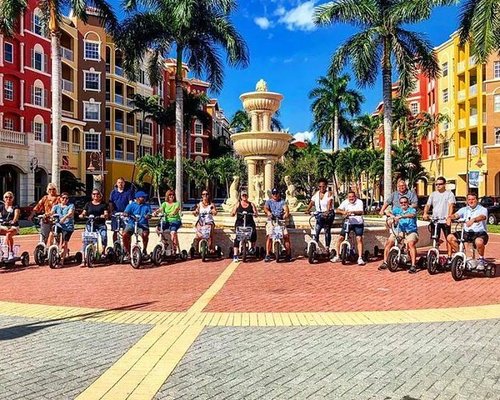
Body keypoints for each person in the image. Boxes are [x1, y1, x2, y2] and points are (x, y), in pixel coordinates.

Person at [446, 192, 489, 269]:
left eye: (473, 199)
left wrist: (474, 220)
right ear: (467, 201)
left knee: (479, 242)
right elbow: (456, 215)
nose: (471, 201)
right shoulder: (464, 209)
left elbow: (482, 217)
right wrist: (450, 217)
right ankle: (461, 255)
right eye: (469, 199)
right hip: (466, 232)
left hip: (479, 233)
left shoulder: (483, 209)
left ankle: (481, 259)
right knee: (450, 237)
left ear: (477, 200)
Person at [380, 195, 419, 273]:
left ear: (408, 203)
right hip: (399, 231)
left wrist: (401, 216)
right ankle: (385, 262)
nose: (403, 204)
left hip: (411, 232)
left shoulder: (412, 210)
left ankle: (413, 265)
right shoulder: (397, 210)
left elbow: (412, 215)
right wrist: (392, 216)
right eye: (401, 203)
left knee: (411, 244)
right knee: (389, 242)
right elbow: (387, 211)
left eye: (405, 202)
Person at [422, 176, 456, 260]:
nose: (438, 186)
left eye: (440, 184)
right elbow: (428, 205)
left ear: (444, 184)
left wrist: (449, 217)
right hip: (435, 220)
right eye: (436, 184)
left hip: (444, 219)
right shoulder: (433, 194)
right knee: (434, 238)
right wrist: (425, 213)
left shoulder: (449, 194)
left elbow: (451, 206)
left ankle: (449, 256)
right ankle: (435, 255)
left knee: (448, 238)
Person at [332, 191, 366, 265]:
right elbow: (337, 210)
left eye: (352, 197)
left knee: (359, 239)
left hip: (358, 223)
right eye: (349, 197)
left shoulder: (359, 202)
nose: (351, 198)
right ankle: (337, 255)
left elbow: (361, 211)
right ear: (348, 197)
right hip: (348, 222)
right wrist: (343, 212)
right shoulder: (345, 202)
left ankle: (360, 258)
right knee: (340, 238)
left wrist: (352, 212)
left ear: (355, 197)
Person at [305, 178, 334, 251]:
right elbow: (312, 202)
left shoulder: (329, 193)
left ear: (326, 186)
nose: (321, 188)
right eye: (320, 186)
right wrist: (307, 209)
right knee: (316, 230)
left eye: (323, 186)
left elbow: (329, 203)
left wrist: (327, 211)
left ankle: (327, 247)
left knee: (327, 230)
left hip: (328, 214)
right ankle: (315, 247)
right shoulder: (316, 194)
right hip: (319, 214)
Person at [123, 191, 153, 260]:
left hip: (143, 225)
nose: (144, 198)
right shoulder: (131, 205)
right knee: (125, 235)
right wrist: (126, 214)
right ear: (137, 198)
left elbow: (149, 214)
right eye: (142, 197)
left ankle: (144, 250)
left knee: (145, 235)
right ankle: (127, 252)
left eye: (144, 197)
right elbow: (126, 212)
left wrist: (148, 216)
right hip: (132, 224)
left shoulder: (147, 206)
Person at [264, 188, 291, 262]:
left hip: (280, 220)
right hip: (271, 221)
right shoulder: (269, 201)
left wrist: (285, 214)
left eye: (276, 193)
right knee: (269, 236)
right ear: (272, 194)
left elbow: (286, 210)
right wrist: (268, 212)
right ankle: (268, 254)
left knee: (286, 236)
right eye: (274, 194)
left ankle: (288, 254)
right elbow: (265, 208)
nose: (275, 195)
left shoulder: (282, 202)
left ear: (279, 194)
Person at [231, 189, 258, 262]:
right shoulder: (238, 204)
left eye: (246, 195)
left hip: (249, 222)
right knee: (238, 237)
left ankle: (252, 247)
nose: (244, 197)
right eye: (243, 195)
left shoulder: (251, 204)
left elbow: (256, 213)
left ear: (247, 196)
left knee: (253, 233)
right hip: (240, 223)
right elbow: (233, 212)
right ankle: (235, 255)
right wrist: (233, 213)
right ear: (241, 196)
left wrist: (255, 213)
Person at [155, 189, 182, 254]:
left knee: (173, 233)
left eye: (173, 195)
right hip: (166, 221)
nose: (171, 196)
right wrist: (155, 212)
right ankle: (164, 241)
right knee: (157, 228)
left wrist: (173, 213)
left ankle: (174, 248)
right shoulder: (164, 204)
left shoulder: (177, 203)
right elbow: (160, 209)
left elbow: (176, 210)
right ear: (167, 196)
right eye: (170, 195)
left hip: (175, 221)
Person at [51, 192, 75, 264]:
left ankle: (62, 260)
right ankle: (54, 252)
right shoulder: (56, 206)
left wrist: (65, 217)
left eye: (66, 198)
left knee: (64, 243)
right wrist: (47, 216)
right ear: (60, 198)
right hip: (58, 225)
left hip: (68, 226)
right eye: (63, 198)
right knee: (54, 237)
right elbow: (51, 212)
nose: (65, 199)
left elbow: (70, 213)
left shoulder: (71, 205)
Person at [109, 177, 134, 242]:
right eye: (119, 182)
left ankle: (126, 247)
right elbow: (110, 203)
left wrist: (128, 211)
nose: (120, 184)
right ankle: (115, 245)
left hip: (125, 214)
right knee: (115, 231)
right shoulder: (113, 192)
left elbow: (130, 203)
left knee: (126, 231)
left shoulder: (128, 192)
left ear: (124, 183)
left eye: (122, 183)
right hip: (116, 213)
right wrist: (111, 212)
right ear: (117, 184)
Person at [0, 191, 20, 260]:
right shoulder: (1, 207)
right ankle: (1, 251)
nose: (8, 198)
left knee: (8, 234)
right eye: (6, 197)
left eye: (10, 197)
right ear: (4, 198)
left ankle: (11, 252)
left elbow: (16, 215)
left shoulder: (15, 207)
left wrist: (13, 221)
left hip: (13, 227)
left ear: (13, 199)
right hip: (4, 226)